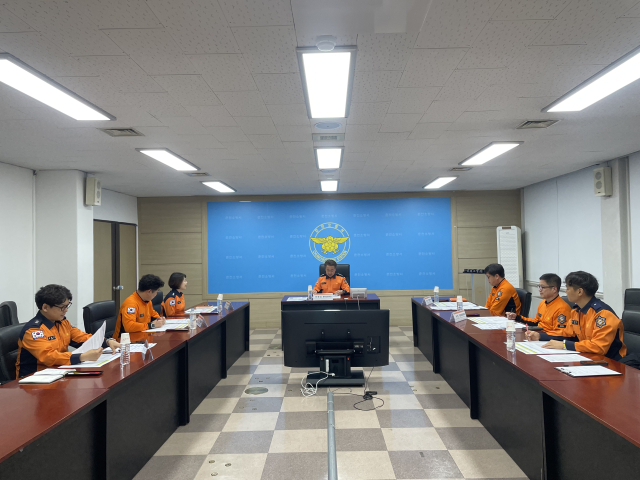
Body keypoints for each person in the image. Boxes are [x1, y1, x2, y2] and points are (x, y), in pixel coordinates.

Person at [16, 284, 119, 378]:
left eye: (67, 306)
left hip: (58, 372)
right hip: (34, 379)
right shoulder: (34, 331)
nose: (66, 310)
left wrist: (107, 341)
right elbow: (48, 357)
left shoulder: (62, 322)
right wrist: (82, 357)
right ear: (45, 307)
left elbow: (81, 337)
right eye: (62, 307)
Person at [526, 271, 626, 360]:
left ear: (579, 292)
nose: (565, 292)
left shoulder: (603, 314)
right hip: (587, 356)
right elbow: (566, 334)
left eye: (568, 289)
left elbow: (598, 347)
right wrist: (540, 336)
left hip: (611, 362)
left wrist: (565, 345)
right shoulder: (576, 311)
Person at [506, 273, 571, 335]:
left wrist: (540, 336)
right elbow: (536, 322)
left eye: (542, 287)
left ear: (554, 289)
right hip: (539, 334)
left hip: (548, 338)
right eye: (539, 286)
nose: (539, 290)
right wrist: (517, 317)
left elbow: (561, 333)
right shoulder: (543, 303)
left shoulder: (562, 308)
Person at [114, 274, 166, 341]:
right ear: (149, 291)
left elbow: (153, 314)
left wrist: (159, 319)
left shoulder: (147, 301)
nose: (156, 294)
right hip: (124, 341)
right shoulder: (131, 304)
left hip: (142, 337)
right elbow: (129, 326)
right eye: (156, 292)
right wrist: (151, 325)